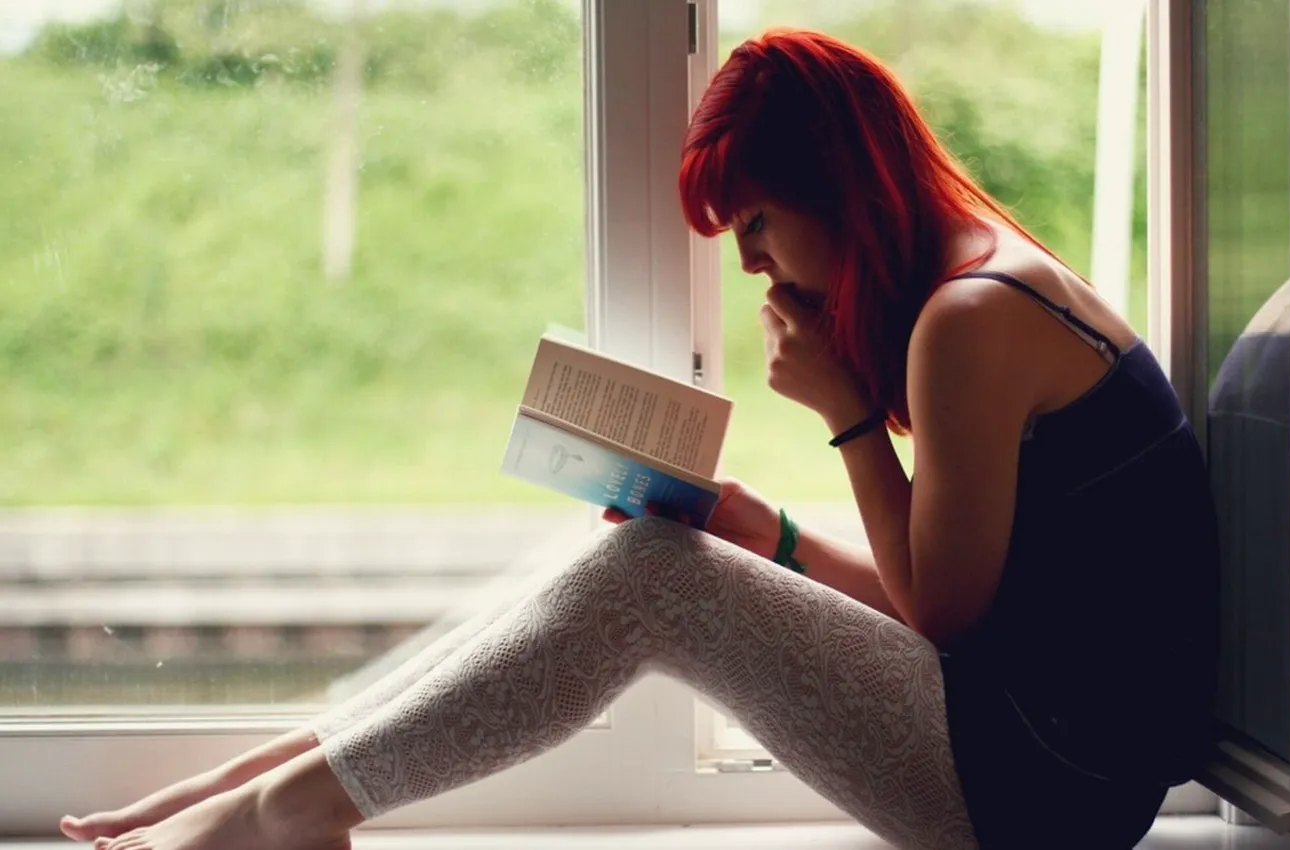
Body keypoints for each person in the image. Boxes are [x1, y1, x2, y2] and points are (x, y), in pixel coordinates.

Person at [59, 28, 1219, 850]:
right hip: (1041, 752)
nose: (752, 264)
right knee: (650, 544)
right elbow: (974, 600)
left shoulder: (969, 319)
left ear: (837, 188)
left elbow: (949, 617)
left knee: (649, 577)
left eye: (755, 224)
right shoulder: (981, 291)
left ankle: (288, 810)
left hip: (1045, 793)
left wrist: (851, 420)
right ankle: (264, 783)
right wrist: (753, 524)